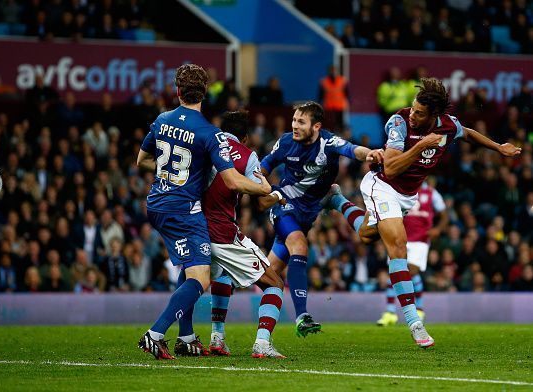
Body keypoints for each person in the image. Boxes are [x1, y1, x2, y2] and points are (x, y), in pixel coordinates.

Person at [323, 77, 521, 348]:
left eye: (419, 112)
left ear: (434, 116)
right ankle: (414, 322)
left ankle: (337, 202)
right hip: (381, 185)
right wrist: (421, 145)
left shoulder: (447, 126)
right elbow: (391, 168)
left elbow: (469, 132)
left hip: (407, 196)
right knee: (398, 247)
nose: (413, 115)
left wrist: (498, 147)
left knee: (368, 234)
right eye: (413, 109)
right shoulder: (399, 123)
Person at [136, 64, 271, 360]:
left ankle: (185, 337)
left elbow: (142, 160)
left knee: (191, 268)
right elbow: (232, 180)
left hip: (157, 203)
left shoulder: (161, 120)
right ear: (205, 94)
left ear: (177, 91)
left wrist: (172, 176)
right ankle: (156, 334)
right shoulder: (209, 133)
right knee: (201, 277)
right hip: (184, 210)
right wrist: (264, 189)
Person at [259, 101, 384, 337]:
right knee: (299, 245)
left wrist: (370, 153)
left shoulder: (328, 142)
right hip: (285, 205)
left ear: (316, 126)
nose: (294, 126)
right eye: (294, 120)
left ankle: (260, 336)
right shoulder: (286, 142)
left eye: (301, 122)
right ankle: (302, 316)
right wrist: (264, 189)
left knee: (268, 276)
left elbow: (352, 150)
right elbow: (263, 167)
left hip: (309, 212)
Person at [183, 110, 285, 359]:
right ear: (246, 137)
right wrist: (279, 195)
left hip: (196, 228)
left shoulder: (204, 145)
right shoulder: (247, 155)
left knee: (222, 276)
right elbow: (261, 200)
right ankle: (262, 343)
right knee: (275, 284)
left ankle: (217, 338)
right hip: (223, 233)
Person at [376, 179, 448, 326]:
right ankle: (390, 313)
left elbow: (444, 214)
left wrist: (438, 229)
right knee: (394, 270)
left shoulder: (431, 193)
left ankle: (419, 309)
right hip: (399, 236)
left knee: (412, 271)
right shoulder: (402, 187)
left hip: (420, 239)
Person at [318, 65, 348, 130]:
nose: (333, 72)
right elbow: (320, 95)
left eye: (334, 70)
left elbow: (347, 93)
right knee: (329, 125)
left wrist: (349, 103)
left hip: (340, 107)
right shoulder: (324, 81)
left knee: (340, 125)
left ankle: (339, 137)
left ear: (337, 71)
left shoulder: (342, 80)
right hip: (328, 107)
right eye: (331, 70)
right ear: (328, 71)